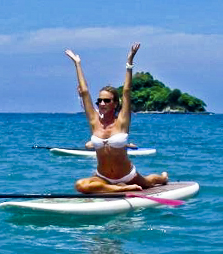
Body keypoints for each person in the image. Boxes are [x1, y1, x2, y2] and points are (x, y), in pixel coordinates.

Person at [65, 43, 168, 193]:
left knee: (150, 181)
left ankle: (163, 178)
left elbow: (126, 91)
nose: (102, 103)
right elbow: (85, 92)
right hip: (103, 177)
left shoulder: (122, 121)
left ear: (115, 103)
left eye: (106, 100)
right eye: (99, 100)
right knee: (80, 185)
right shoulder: (94, 121)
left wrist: (130, 62)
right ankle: (117, 189)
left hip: (127, 175)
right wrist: (77, 64)